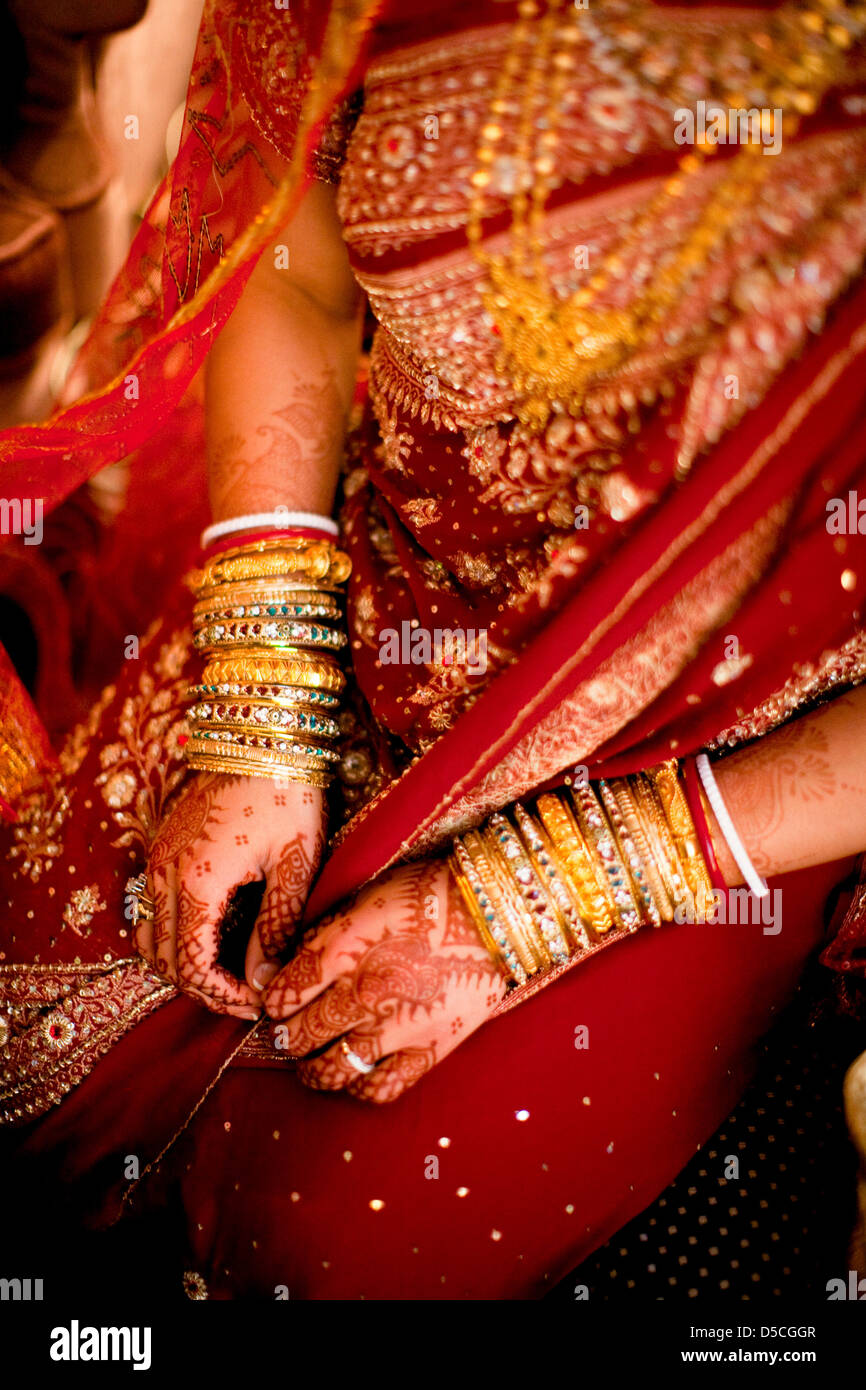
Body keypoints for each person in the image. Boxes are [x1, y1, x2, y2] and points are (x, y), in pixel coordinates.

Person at [1, 0, 866, 1300]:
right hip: (353, 587)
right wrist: (260, 695)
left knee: (333, 1244)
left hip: (726, 769)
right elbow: (288, 267)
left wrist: (550, 889)